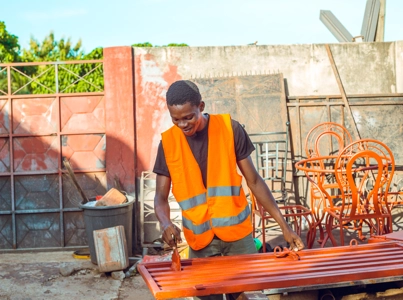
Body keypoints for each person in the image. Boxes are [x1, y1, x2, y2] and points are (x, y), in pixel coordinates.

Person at [153, 80, 304, 299]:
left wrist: (284, 226)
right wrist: (166, 224)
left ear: (201, 107)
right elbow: (160, 197)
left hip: (238, 238)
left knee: (247, 294)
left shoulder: (230, 129)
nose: (183, 124)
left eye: (189, 117)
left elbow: (254, 181)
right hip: (200, 241)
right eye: (176, 119)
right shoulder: (167, 144)